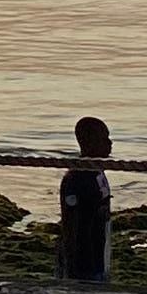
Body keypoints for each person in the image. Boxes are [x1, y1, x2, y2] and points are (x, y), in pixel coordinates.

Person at [58, 114, 113, 285]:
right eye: (104, 139)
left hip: (100, 248)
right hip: (82, 259)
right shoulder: (77, 178)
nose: (110, 144)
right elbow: (75, 225)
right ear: (89, 143)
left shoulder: (98, 171)